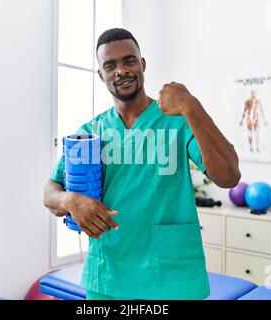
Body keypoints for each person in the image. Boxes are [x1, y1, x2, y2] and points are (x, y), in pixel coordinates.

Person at [43, 28, 240, 300]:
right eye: (110, 65)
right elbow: (50, 191)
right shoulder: (91, 132)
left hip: (173, 279)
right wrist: (71, 201)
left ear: (143, 64)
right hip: (108, 278)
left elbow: (228, 176)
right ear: (101, 75)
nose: (121, 71)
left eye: (129, 60)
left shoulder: (179, 120)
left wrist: (192, 107)